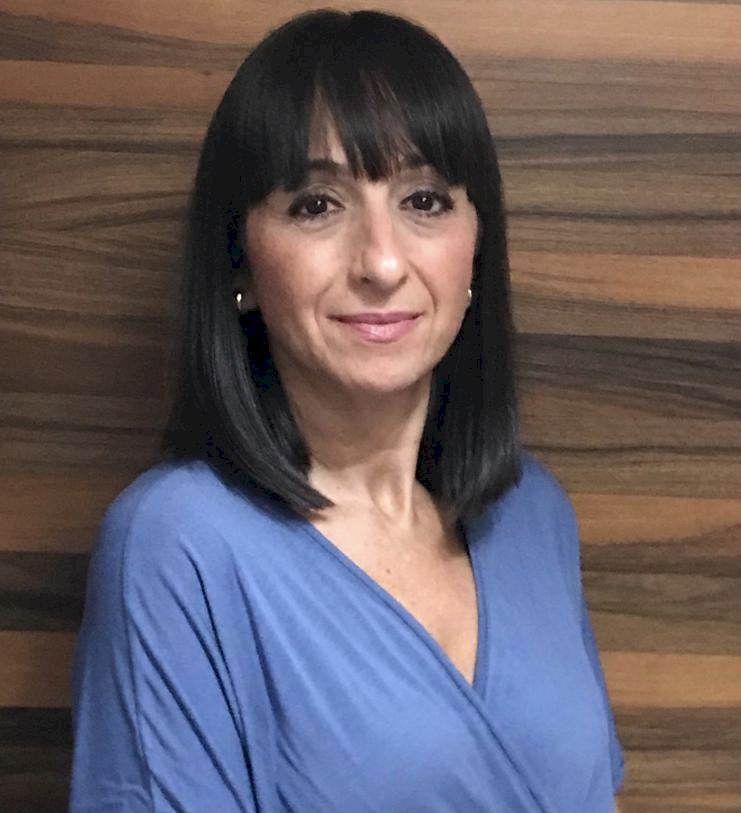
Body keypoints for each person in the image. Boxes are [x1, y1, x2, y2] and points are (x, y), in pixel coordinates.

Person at [68, 8, 625, 813]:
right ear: (240, 263)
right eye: (315, 205)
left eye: (424, 200)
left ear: (476, 251)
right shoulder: (178, 544)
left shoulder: (533, 514)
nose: (382, 261)